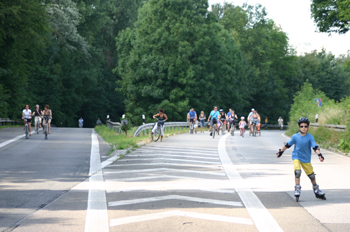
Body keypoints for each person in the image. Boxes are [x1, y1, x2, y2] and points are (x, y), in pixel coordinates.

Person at [276, 117, 326, 201]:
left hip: (306, 159)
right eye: (302, 126)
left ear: (308, 127)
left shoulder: (310, 137)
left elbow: (315, 147)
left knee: (312, 176)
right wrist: (280, 152)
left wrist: (319, 155)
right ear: (299, 127)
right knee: (297, 171)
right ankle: (297, 188)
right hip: (297, 157)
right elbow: (288, 145)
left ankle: (316, 189)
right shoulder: (295, 136)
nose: (304, 128)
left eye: (305, 126)